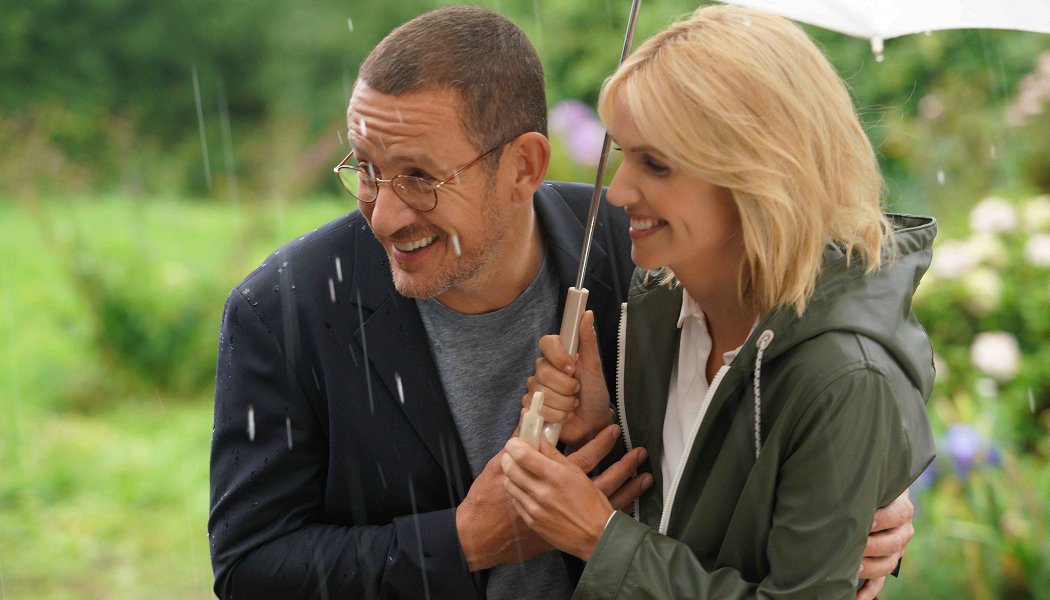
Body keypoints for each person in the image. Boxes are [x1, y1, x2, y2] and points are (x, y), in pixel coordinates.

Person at [209, 5, 917, 600]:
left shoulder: (641, 255)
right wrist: (462, 541)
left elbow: (759, 414)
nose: (384, 215)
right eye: (367, 169)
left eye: (420, 177)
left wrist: (846, 496)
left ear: (524, 166)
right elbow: (249, 569)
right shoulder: (283, 311)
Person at [502, 5, 936, 599]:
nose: (619, 191)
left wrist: (600, 540)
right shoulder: (659, 308)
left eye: (656, 164)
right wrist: (605, 432)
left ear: (758, 175)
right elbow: (693, 515)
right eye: (622, 154)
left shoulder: (844, 377)